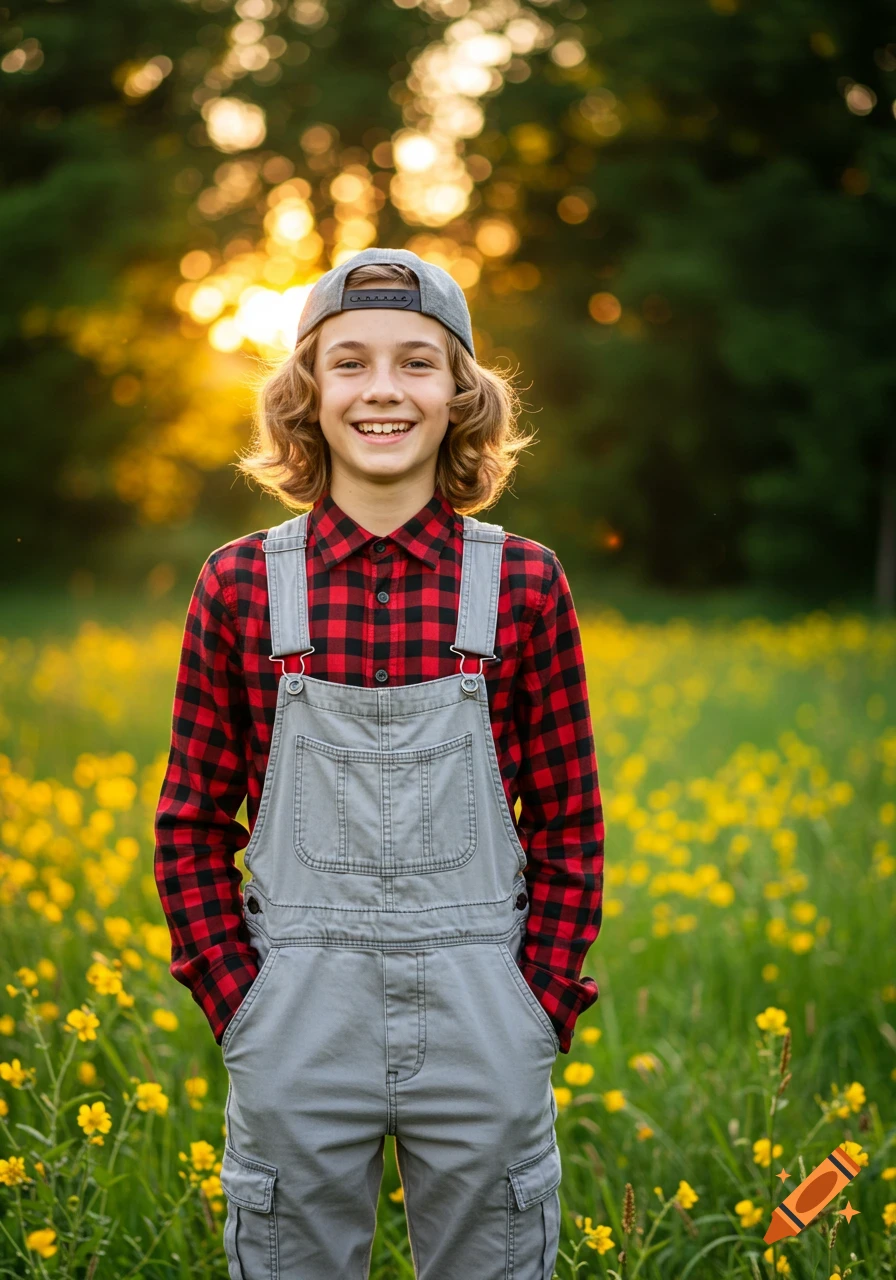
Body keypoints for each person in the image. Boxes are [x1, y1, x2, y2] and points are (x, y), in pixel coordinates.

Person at [154, 247, 605, 1280]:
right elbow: (188, 822)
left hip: (485, 1012)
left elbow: (568, 821)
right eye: (349, 363)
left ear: (460, 394)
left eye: (416, 361)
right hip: (297, 1021)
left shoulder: (525, 583)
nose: (383, 390)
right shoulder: (239, 586)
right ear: (307, 397)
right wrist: (243, 1004)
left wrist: (536, 1003)